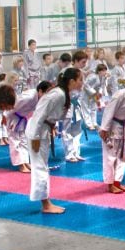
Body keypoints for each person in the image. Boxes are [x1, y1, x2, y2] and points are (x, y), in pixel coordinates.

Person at [28, 70, 78, 213]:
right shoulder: (58, 94)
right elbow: (39, 113)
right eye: (80, 79)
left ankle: (46, 202)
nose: (82, 82)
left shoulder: (63, 93)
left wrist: (53, 127)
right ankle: (45, 204)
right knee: (40, 167)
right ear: (72, 81)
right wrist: (35, 136)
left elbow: (51, 115)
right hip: (37, 131)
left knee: (42, 166)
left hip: (44, 129)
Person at [7, 80, 50, 174]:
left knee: (23, 140)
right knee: (15, 140)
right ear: (40, 91)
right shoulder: (29, 96)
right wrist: (5, 116)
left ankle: (25, 161)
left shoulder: (39, 98)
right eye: (46, 93)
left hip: (22, 118)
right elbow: (13, 105)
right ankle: (20, 164)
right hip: (12, 116)